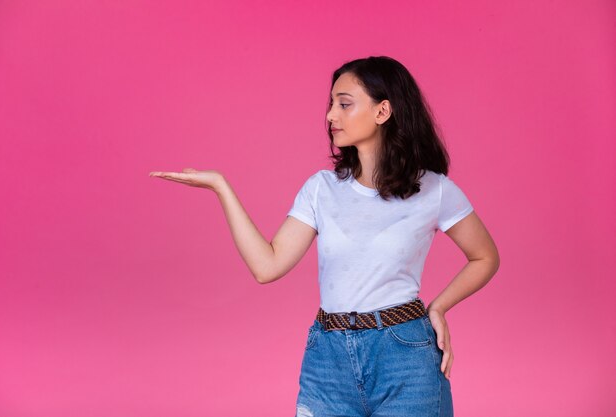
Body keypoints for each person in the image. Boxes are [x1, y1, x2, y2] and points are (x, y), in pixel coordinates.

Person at [149, 55, 500, 417]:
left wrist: (439, 307)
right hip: (328, 358)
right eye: (331, 104)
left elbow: (485, 256)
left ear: (383, 112)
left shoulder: (434, 190)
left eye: (344, 104)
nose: (331, 115)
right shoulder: (322, 189)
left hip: (405, 354)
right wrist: (221, 187)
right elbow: (266, 266)